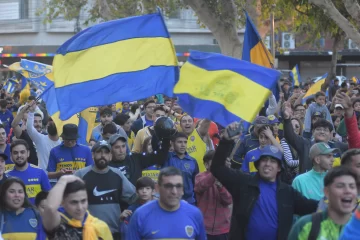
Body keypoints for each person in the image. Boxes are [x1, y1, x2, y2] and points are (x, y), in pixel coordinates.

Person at [211, 123, 318, 240]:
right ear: (258, 165)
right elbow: (217, 168)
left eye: (273, 161)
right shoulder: (244, 183)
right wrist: (226, 141)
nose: (267, 164)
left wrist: (330, 201)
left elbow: (311, 207)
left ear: (279, 168)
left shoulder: (287, 192)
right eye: (264, 160)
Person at [74, 140, 137, 240]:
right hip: (88, 233)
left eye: (106, 152)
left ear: (110, 156)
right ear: (92, 155)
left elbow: (134, 197)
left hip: (113, 232)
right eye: (99, 152)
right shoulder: (81, 175)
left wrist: (126, 213)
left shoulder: (117, 174)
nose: (102, 155)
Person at [127, 167, 207, 240]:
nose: (174, 192)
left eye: (178, 186)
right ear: (158, 188)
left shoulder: (195, 214)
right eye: (168, 186)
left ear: (183, 190)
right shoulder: (140, 215)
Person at [289, 167, 357, 239]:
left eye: (352, 187)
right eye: (340, 186)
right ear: (327, 192)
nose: (348, 191)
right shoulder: (305, 226)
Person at [283, 102, 347, 174]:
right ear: (313, 132)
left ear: (330, 133)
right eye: (318, 129)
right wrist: (287, 119)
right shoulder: (305, 144)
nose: (322, 132)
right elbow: (290, 136)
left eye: (325, 130)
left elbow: (354, 145)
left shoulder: (338, 146)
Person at [41, 175, 113, 240]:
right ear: (62, 202)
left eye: (83, 201)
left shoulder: (100, 226)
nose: (80, 207)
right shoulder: (58, 223)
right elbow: (50, 208)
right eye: (74, 202)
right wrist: (63, 180)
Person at [194, 150, 232, 240]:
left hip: (223, 230)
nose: (218, 164)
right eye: (215, 161)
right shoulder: (199, 176)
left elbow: (228, 200)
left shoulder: (228, 178)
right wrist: (216, 173)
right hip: (204, 228)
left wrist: (220, 187)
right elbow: (201, 186)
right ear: (206, 165)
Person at [6, 139, 51, 204]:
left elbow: (49, 196)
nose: (19, 155)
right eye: (15, 153)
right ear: (11, 155)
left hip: (36, 213)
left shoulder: (40, 172)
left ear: (28, 153)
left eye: (22, 152)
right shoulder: (6, 175)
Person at [162, 132, 199, 205]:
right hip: (170, 200)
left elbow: (196, 183)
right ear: (173, 144)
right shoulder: (167, 158)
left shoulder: (193, 161)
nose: (183, 145)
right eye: (179, 142)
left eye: (185, 142)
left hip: (189, 201)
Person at [26, 101, 61, 171]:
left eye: (54, 123)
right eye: (50, 122)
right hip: (43, 177)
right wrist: (31, 112)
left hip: (59, 178)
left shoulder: (63, 142)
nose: (52, 124)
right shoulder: (41, 139)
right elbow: (29, 128)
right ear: (47, 126)